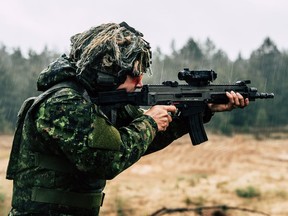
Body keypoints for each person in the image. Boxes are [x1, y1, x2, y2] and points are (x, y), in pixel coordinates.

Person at [6, 22, 249, 216]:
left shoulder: (96, 100)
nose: (140, 82)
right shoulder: (63, 103)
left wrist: (201, 109)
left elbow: (141, 140)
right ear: (107, 72)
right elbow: (108, 158)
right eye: (133, 74)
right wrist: (149, 122)